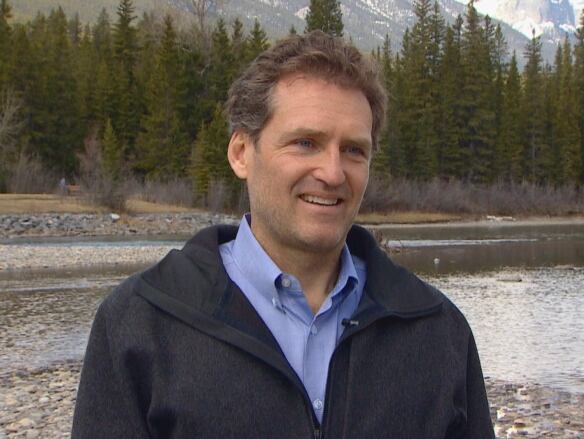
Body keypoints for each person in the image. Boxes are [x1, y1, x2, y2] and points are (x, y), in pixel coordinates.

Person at [72, 31, 493, 438]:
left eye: (353, 150)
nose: (331, 173)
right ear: (241, 153)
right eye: (305, 143)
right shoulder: (140, 322)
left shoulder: (437, 330)